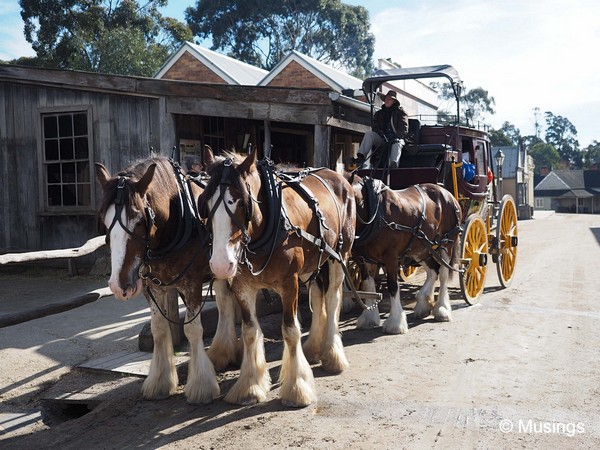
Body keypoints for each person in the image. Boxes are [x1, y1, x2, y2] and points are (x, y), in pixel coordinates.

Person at [352, 90, 408, 169]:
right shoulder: (379, 114)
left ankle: (393, 164)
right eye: (386, 99)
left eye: (389, 99)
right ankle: (361, 157)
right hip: (383, 139)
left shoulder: (401, 113)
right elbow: (375, 126)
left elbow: (404, 129)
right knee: (369, 134)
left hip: (396, 139)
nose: (387, 101)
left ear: (394, 101)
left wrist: (395, 137)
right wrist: (381, 134)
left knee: (397, 143)